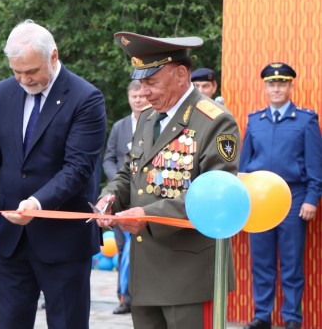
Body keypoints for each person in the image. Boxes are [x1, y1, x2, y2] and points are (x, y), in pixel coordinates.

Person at [0, 19, 107, 329]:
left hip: (63, 241)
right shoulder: (2, 94)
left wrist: (37, 203)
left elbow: (78, 168)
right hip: (13, 240)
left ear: (54, 56)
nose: (24, 80)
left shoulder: (86, 98)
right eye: (17, 72)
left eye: (32, 72)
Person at [95, 31, 240, 329]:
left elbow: (216, 198)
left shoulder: (215, 121)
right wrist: (110, 197)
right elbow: (129, 173)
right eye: (140, 84)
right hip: (145, 270)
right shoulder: (147, 119)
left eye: (151, 82)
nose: (144, 92)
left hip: (189, 273)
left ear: (181, 74)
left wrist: (147, 215)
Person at [239, 63, 322, 329]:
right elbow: (243, 165)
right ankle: (262, 315)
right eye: (271, 84)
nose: (276, 88)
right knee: (261, 261)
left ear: (290, 86)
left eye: (282, 83)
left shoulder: (306, 120)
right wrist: (242, 201)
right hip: (258, 199)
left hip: (293, 197)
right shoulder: (254, 120)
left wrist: (312, 198)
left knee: (291, 263)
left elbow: (315, 165)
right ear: (265, 87)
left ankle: (291, 318)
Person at [102, 79, 148, 315]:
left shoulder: (154, 123)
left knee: (144, 249)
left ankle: (143, 296)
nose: (139, 100)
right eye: (134, 97)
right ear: (129, 98)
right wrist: (116, 182)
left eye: (142, 96)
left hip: (146, 199)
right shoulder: (120, 126)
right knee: (122, 249)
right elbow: (109, 158)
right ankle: (124, 298)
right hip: (121, 198)